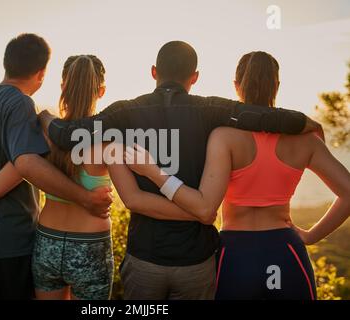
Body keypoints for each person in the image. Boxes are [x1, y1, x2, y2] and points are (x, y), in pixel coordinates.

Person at [39, 41, 323, 300]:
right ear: (194, 77)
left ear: (153, 72)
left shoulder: (123, 113)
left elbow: (70, 135)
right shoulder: (211, 110)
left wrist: (46, 117)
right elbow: (258, 116)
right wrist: (302, 122)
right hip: (196, 261)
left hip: (144, 258)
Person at [0, 54, 201, 300]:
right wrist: (194, 212)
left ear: (63, 86)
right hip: (89, 246)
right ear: (101, 91)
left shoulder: (41, 131)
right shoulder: (109, 141)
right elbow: (134, 200)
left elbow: (2, 180)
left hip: (47, 243)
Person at [125, 51, 350, 300]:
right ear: (277, 85)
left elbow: (204, 203)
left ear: (236, 86)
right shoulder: (307, 141)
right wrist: (310, 235)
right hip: (285, 251)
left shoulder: (224, 136)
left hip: (234, 254)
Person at [0, 34, 112, 300]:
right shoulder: (21, 104)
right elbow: (26, 164)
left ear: (7, 63)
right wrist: (85, 197)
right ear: (41, 73)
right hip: (9, 246)